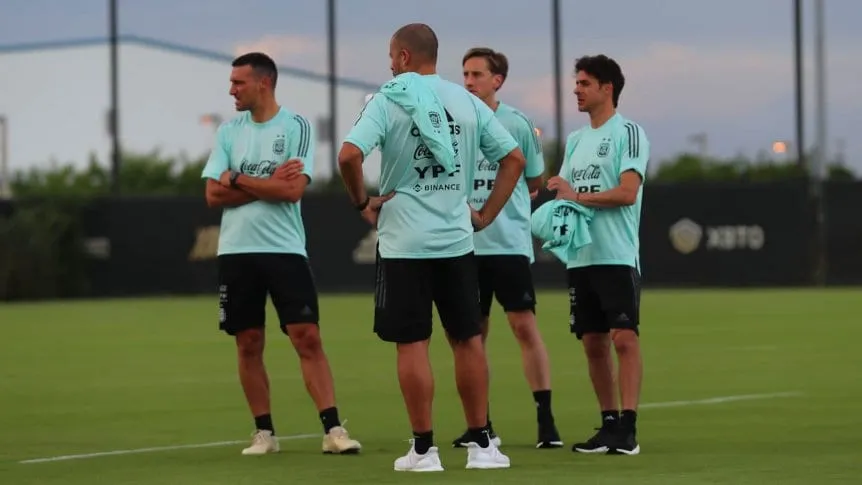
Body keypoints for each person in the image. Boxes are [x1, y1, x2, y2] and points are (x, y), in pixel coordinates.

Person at [337, 23, 526, 472]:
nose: (388, 65)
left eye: (390, 56)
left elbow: (348, 156)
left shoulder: (387, 98)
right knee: (467, 339)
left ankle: (423, 450)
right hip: (457, 240)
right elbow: (514, 158)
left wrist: (362, 202)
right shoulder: (467, 101)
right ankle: (482, 445)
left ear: (403, 57)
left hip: (404, 243)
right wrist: (484, 215)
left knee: (412, 343)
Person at [201, 52, 362, 457]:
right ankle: (264, 434)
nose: (231, 90)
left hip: (284, 249)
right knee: (248, 342)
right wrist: (262, 182)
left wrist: (237, 178)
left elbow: (291, 190)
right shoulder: (228, 132)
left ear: (263, 83)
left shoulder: (296, 126)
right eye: (231, 82)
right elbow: (211, 194)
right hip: (236, 252)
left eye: (238, 82)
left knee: (307, 337)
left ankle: (333, 430)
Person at [452, 46, 563, 450]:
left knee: (522, 326)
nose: (468, 81)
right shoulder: (452, 123)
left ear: (497, 80)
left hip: (508, 244)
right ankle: (481, 424)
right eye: (464, 74)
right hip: (464, 246)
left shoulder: (516, 123)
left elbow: (534, 181)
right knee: (471, 335)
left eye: (476, 74)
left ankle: (545, 420)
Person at [546, 54, 649, 456]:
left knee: (623, 338)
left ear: (607, 88)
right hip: (581, 258)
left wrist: (576, 196)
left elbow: (627, 193)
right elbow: (568, 198)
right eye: (577, 83)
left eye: (584, 83)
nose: (576, 89)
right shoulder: (575, 141)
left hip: (617, 255)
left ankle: (628, 427)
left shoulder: (630, 132)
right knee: (592, 343)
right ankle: (608, 425)